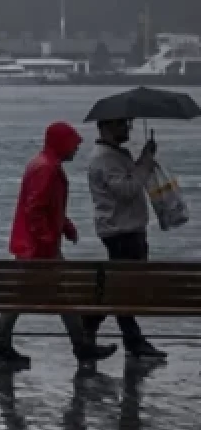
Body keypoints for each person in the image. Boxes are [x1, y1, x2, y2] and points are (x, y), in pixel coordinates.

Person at [0, 122, 118, 367]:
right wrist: (48, 237)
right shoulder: (46, 169)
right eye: (73, 144)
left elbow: (48, 207)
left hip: (34, 247)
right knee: (46, 295)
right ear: (60, 143)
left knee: (32, 295)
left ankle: (4, 343)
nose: (76, 149)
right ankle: (79, 346)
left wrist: (65, 226)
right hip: (38, 249)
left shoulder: (45, 164)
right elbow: (35, 209)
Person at [84, 117, 166, 359]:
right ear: (107, 127)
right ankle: (127, 336)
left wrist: (143, 159)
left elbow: (131, 181)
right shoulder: (104, 159)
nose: (127, 129)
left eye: (128, 124)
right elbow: (127, 191)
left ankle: (97, 323)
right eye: (122, 125)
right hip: (121, 231)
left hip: (128, 229)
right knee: (124, 287)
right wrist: (146, 163)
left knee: (124, 286)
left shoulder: (115, 155)